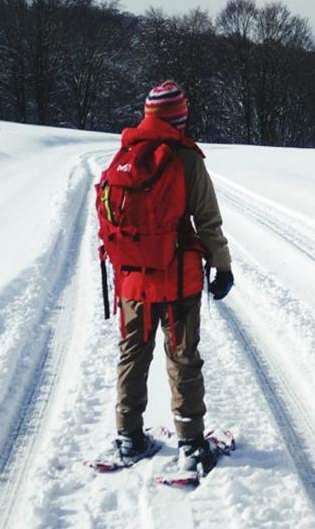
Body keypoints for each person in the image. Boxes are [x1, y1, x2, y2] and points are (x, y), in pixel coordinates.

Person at [101, 81, 234, 475]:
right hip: (177, 279)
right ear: (179, 117)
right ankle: (191, 445)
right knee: (182, 357)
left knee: (132, 354)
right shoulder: (186, 159)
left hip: (131, 279)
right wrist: (223, 266)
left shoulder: (124, 154)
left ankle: (129, 437)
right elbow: (207, 221)